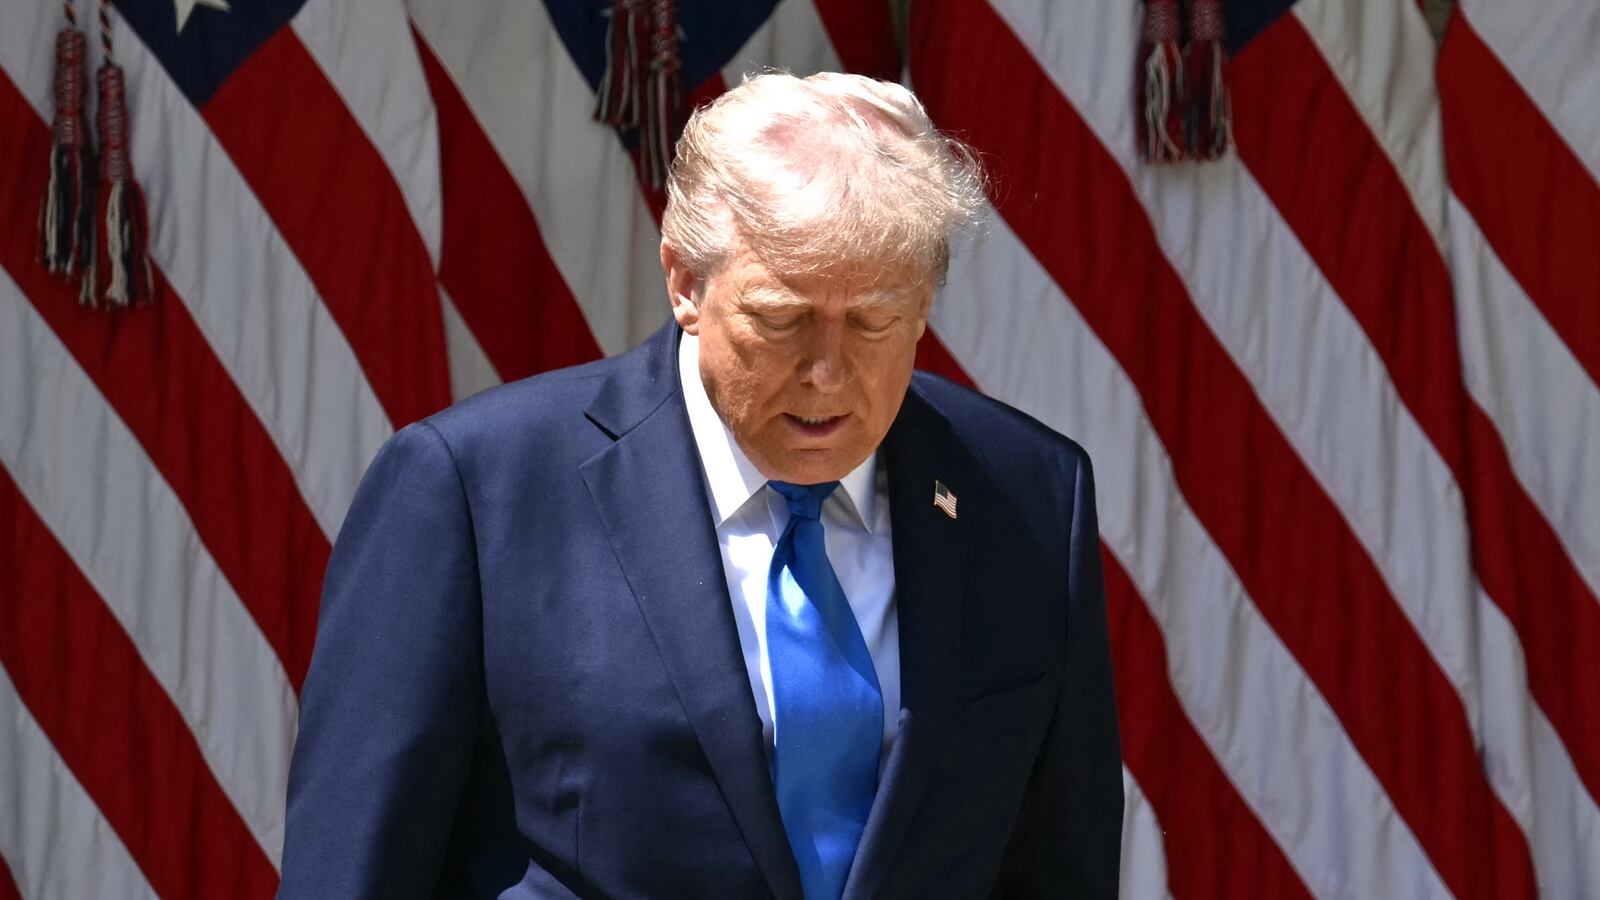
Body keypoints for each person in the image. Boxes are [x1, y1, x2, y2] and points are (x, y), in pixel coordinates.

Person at [278, 71, 1122, 899]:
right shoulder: (471, 493)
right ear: (685, 282)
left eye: (875, 320)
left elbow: (1062, 866)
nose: (828, 374)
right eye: (783, 319)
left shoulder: (1032, 496)